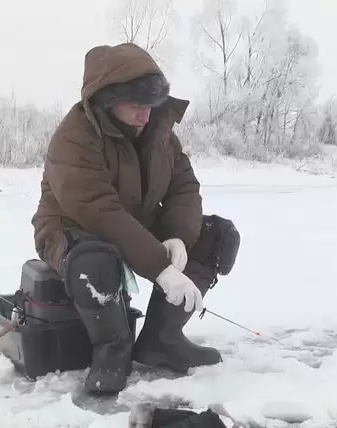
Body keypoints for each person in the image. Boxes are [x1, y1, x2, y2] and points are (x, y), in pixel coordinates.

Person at [31, 42, 239, 396]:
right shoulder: (74, 137)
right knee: (95, 259)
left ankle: (162, 339)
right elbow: (99, 210)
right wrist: (160, 268)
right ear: (107, 100)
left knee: (217, 236)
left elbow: (184, 186)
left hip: (134, 222)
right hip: (71, 228)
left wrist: (177, 236)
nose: (147, 116)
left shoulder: (158, 131)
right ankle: (112, 349)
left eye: (151, 105)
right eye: (137, 106)